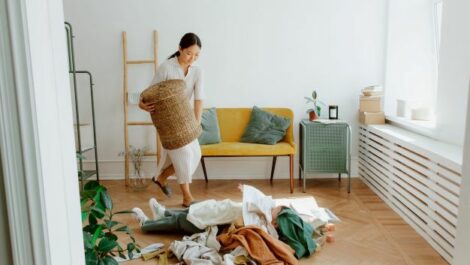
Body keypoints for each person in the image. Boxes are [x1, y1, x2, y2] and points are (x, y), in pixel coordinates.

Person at [139, 33, 204, 207]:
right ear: (180, 48)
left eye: (196, 55)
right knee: (183, 155)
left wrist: (196, 123)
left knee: (196, 154)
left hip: (186, 120)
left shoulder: (197, 71)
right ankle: (187, 197)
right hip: (168, 120)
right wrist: (141, 103)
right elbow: (149, 92)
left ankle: (161, 177)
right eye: (189, 53)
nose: (192, 58)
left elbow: (199, 99)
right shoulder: (166, 67)